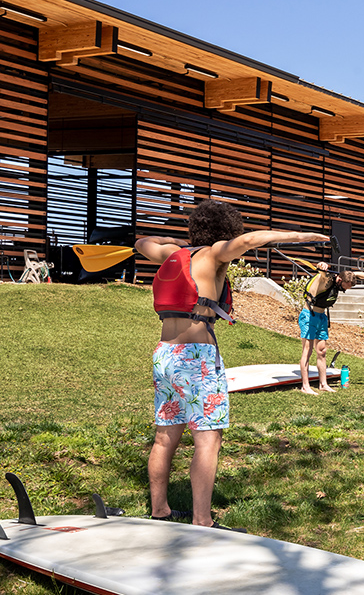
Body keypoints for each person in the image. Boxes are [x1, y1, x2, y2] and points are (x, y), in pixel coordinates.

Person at [136, 199, 328, 528]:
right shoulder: (213, 254)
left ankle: (160, 510)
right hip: (197, 356)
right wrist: (301, 235)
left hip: (165, 354)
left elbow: (141, 243)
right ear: (226, 231)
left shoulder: (171, 255)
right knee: (208, 438)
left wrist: (177, 244)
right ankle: (202, 520)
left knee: (165, 437)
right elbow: (251, 240)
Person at [298, 261, 364, 394]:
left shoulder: (345, 276)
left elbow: (357, 274)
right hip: (309, 316)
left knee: (322, 351)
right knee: (307, 352)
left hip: (321, 317)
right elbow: (321, 271)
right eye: (345, 286)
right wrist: (322, 265)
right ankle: (305, 386)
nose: (344, 289)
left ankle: (323, 384)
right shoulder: (325, 278)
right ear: (339, 279)